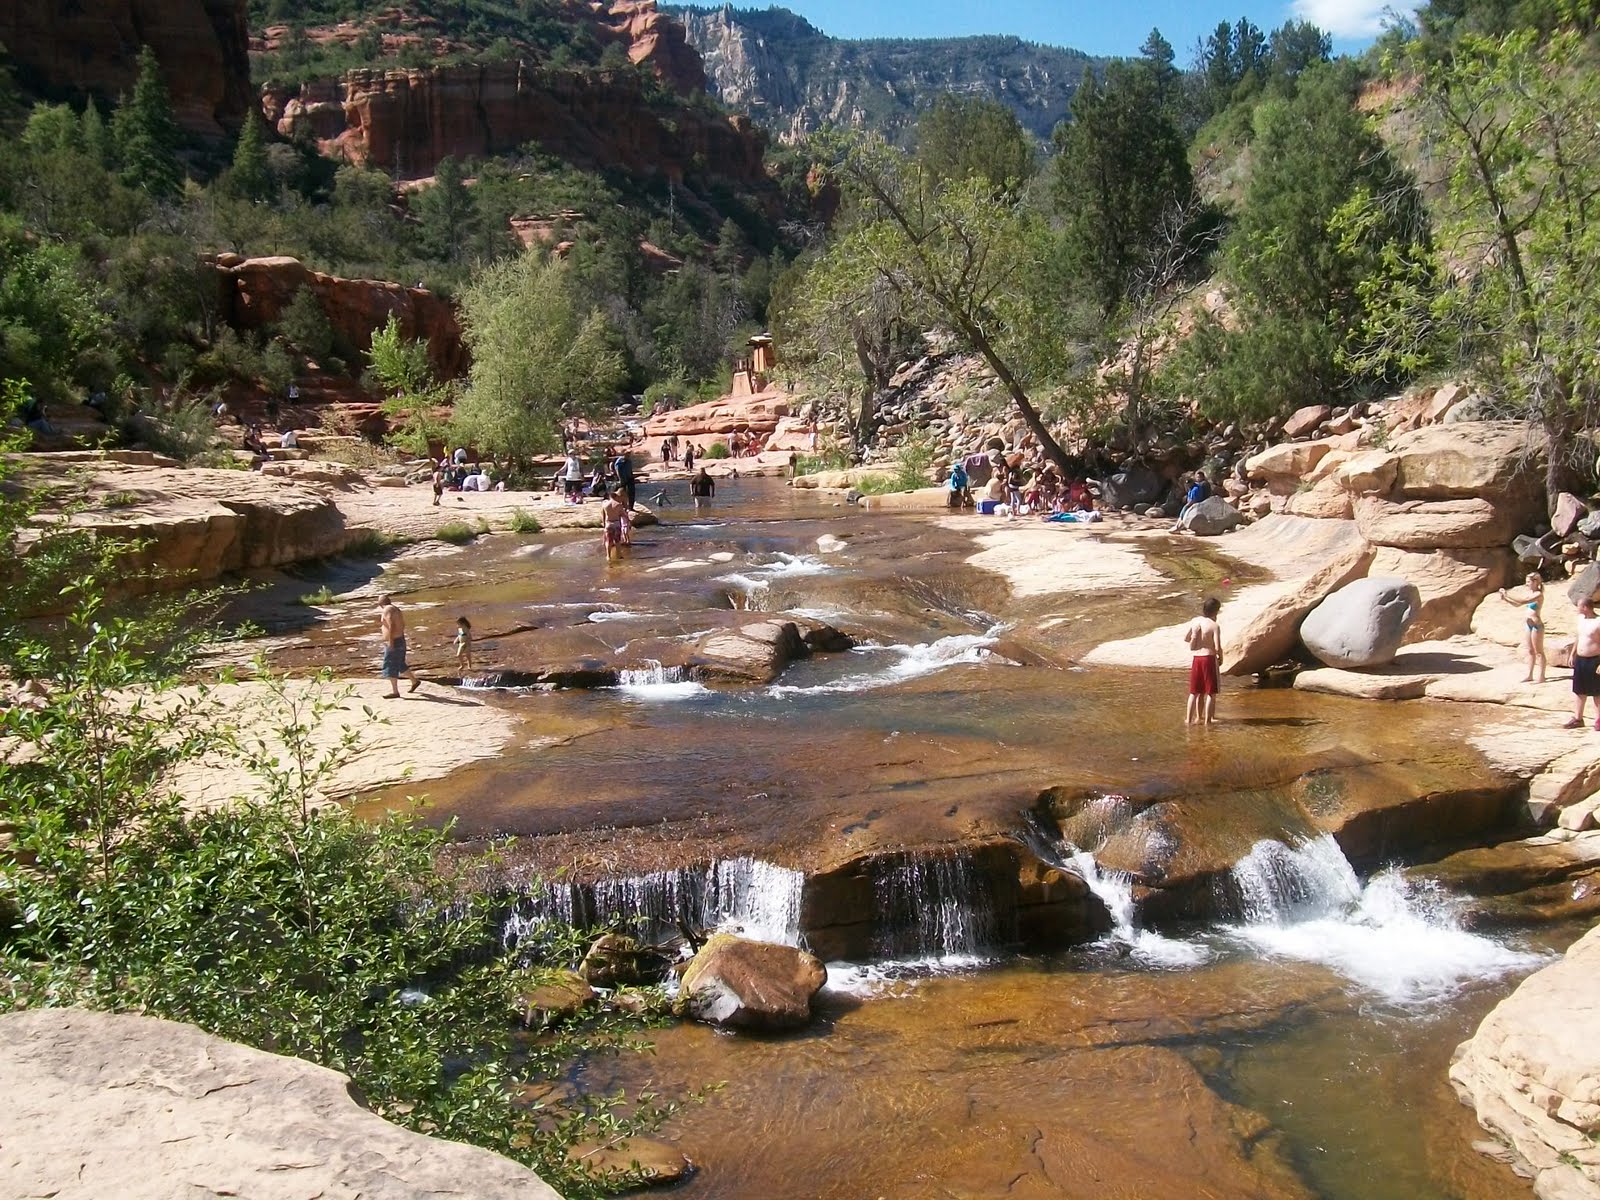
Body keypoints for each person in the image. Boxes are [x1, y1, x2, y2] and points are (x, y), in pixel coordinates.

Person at [1498, 572, 1546, 684]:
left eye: (1528, 581)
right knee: (1530, 651)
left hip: (1536, 625)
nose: (1526, 584)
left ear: (1535, 582)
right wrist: (1505, 598)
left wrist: (1507, 593)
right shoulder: (1530, 593)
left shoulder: (1538, 594)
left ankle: (1541, 676)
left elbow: (1522, 601)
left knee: (1538, 651)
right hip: (1528, 624)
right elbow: (1517, 604)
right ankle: (1529, 674)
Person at [1184, 597, 1223, 726]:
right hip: (1208, 658)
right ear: (1216, 611)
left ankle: (1191, 719)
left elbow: (1186, 638)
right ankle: (1208, 721)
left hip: (1197, 658)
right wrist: (1221, 658)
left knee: (1195, 691)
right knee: (1211, 692)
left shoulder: (1196, 621)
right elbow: (1217, 647)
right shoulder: (1214, 626)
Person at [1566, 595, 1600, 727]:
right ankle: (1578, 718)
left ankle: (1598, 720)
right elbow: (1578, 637)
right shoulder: (1580, 620)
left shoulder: (1598, 622)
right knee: (1579, 690)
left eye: (1579, 606)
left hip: (1595, 660)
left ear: (1585, 607)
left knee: (1597, 691)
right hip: (1581, 659)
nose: (1577, 608)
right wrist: (1572, 654)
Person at [377, 595, 421, 697]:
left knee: (390, 665)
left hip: (394, 641)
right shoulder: (396, 609)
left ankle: (395, 692)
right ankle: (414, 681)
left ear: (380, 604)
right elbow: (402, 624)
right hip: (400, 639)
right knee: (400, 663)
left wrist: (391, 641)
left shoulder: (387, 609)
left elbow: (391, 624)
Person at [601, 488, 629, 564]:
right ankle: (619, 555)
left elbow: (603, 516)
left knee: (608, 541)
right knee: (617, 540)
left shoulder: (605, 505)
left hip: (608, 523)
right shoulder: (618, 505)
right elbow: (624, 515)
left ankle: (608, 556)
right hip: (616, 523)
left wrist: (604, 525)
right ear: (615, 497)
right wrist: (628, 521)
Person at [612, 447, 636, 512]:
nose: (629, 455)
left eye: (629, 454)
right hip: (623, 479)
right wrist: (621, 479)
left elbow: (630, 470)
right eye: (627, 454)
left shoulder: (629, 461)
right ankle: (622, 506)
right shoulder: (620, 461)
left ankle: (631, 507)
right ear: (624, 454)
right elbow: (618, 470)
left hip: (629, 478)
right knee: (622, 493)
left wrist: (632, 476)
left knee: (632, 493)